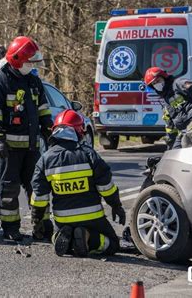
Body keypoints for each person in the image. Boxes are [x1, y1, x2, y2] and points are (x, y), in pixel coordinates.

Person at [0, 36, 53, 242]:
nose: (31, 66)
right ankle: (11, 227)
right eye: (29, 62)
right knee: (8, 189)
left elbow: (42, 107)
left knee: (38, 188)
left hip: (32, 148)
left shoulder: (33, 80)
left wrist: (48, 127)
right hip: (10, 149)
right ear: (17, 59)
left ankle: (41, 227)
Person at [30, 110, 125, 257]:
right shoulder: (89, 154)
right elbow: (105, 186)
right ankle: (88, 237)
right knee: (112, 244)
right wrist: (116, 205)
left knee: (60, 237)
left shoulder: (45, 159)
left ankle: (59, 237)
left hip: (63, 219)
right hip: (92, 217)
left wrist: (37, 222)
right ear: (78, 131)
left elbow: (39, 197)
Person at [143, 67, 192, 149]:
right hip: (183, 130)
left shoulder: (178, 84)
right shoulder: (165, 99)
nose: (157, 84)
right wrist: (170, 140)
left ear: (164, 77)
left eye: (158, 80)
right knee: (175, 152)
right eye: (154, 83)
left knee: (190, 150)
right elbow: (169, 123)